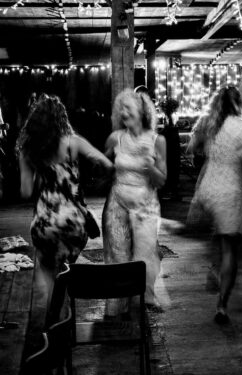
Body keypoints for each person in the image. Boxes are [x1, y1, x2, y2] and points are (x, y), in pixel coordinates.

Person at [18, 94, 112, 330]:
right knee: (65, 272)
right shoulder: (73, 142)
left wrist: (41, 173)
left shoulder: (28, 150)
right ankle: (61, 322)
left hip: (45, 222)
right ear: (62, 118)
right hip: (73, 221)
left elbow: (25, 192)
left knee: (49, 274)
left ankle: (52, 324)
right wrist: (95, 181)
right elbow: (106, 164)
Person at [187, 86, 242, 324]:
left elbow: (192, 148)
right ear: (239, 104)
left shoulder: (208, 124)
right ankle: (222, 306)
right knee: (230, 248)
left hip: (208, 188)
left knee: (217, 231)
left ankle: (214, 267)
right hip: (230, 190)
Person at [103, 89, 167, 312]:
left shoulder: (157, 140)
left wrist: (149, 167)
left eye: (128, 108)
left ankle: (144, 298)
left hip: (145, 204)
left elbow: (162, 180)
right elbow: (103, 166)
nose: (124, 112)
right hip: (118, 202)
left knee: (144, 254)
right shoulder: (116, 138)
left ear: (142, 111)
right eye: (121, 108)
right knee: (118, 254)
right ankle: (119, 304)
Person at [159, 98, 182, 201]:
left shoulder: (169, 118)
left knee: (169, 167)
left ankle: (169, 190)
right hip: (172, 145)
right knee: (173, 167)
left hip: (168, 145)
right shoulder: (172, 118)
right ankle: (172, 190)